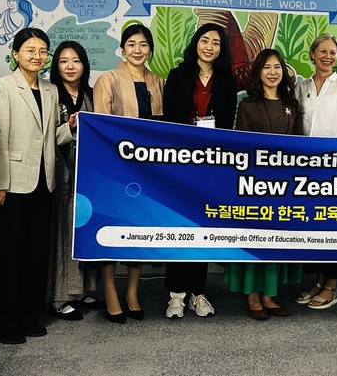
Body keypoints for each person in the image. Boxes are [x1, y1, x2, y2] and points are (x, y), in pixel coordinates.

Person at [0, 28, 74, 344]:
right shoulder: (2, 86)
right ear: (16, 54)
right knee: (9, 256)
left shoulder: (50, 90)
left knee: (36, 255)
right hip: (12, 184)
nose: (37, 56)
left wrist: (70, 127)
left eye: (42, 51)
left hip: (44, 182)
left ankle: (28, 317)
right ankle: (4, 323)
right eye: (30, 50)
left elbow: (50, 137)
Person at [162, 23, 237, 319]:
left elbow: (227, 125)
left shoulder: (227, 81)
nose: (209, 47)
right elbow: (169, 120)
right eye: (205, 40)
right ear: (196, 43)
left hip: (210, 164)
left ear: (221, 49)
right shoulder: (178, 75)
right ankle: (176, 295)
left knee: (203, 226)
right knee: (179, 225)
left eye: (216, 43)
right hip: (180, 161)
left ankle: (198, 292)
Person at [93, 23, 165, 323]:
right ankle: (111, 291)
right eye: (132, 44)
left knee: (140, 230)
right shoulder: (107, 80)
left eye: (143, 44)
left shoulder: (159, 82)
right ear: (123, 48)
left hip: (148, 172)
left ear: (150, 49)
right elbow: (100, 129)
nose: (138, 50)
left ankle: (132, 291)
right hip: (114, 171)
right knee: (111, 229)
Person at [229, 48, 303, 320]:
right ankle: (252, 295)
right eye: (267, 67)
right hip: (256, 186)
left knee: (275, 239)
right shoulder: (247, 105)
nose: (272, 72)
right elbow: (241, 148)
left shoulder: (291, 104)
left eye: (277, 67)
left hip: (283, 186)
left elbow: (299, 145)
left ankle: (269, 295)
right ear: (258, 73)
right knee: (255, 237)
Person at [294, 33, 337, 310]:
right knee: (314, 226)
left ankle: (332, 285)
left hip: (335, 171)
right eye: (322, 51)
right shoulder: (300, 87)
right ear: (312, 54)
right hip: (306, 171)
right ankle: (319, 281)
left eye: (333, 52)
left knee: (333, 226)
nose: (328, 56)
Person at [48, 41, 102, 321]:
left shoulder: (92, 95)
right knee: (64, 237)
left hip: (89, 179)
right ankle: (60, 298)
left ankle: (82, 291)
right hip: (64, 177)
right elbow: (46, 140)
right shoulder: (50, 95)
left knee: (85, 231)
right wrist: (68, 127)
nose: (70, 67)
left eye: (76, 61)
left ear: (84, 65)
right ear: (56, 66)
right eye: (64, 61)